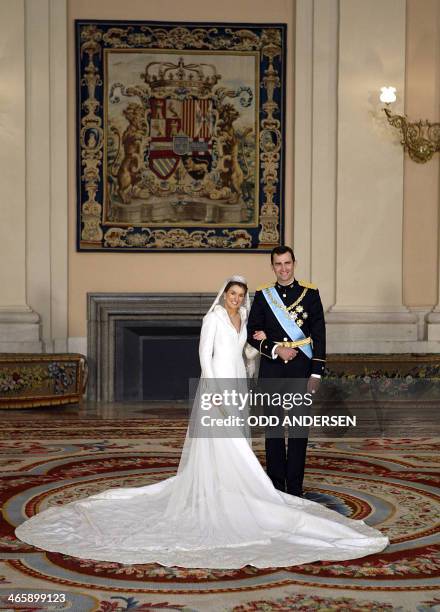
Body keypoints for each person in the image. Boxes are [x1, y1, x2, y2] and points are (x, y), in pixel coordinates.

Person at [15, 275, 388, 569]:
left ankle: (233, 488)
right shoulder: (211, 318)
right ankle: (225, 490)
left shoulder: (242, 318)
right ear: (224, 293)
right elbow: (205, 359)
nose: (237, 299)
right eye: (233, 294)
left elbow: (245, 351)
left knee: (238, 440)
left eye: (242, 295)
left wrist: (256, 349)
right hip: (218, 386)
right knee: (222, 443)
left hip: (238, 382)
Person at [247, 246, 325, 497]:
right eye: (278, 264)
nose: (283, 269)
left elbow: (320, 335)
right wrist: (275, 349)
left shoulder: (310, 294)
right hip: (271, 369)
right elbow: (252, 333)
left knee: (299, 429)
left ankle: (295, 487)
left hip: (302, 368)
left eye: (287, 263)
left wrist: (316, 373)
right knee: (274, 429)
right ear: (272, 267)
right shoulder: (263, 295)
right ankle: (277, 487)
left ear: (294, 263)